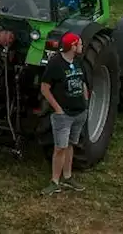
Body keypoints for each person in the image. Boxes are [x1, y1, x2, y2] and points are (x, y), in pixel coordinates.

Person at [39, 32, 90, 195]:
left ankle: (67, 177)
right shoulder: (55, 63)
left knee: (70, 145)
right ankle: (55, 181)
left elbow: (82, 82)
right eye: (79, 44)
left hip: (79, 112)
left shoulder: (78, 61)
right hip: (64, 115)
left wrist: (85, 100)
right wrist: (58, 109)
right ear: (73, 46)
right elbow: (44, 88)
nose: (82, 46)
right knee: (60, 147)